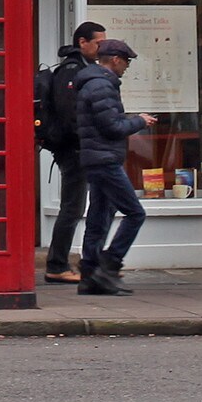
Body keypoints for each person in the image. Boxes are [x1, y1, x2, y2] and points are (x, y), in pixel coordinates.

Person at [74, 38, 157, 295]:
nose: (127, 67)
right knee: (135, 213)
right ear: (115, 60)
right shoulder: (101, 86)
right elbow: (112, 127)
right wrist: (139, 121)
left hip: (96, 157)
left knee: (99, 218)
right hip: (105, 159)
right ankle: (109, 267)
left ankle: (90, 276)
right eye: (127, 62)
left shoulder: (94, 83)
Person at [39, 20, 107, 284]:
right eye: (98, 42)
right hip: (73, 148)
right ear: (83, 42)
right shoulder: (72, 69)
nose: (102, 47)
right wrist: (85, 139)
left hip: (79, 147)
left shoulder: (83, 67)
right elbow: (71, 114)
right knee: (72, 207)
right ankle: (56, 264)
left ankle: (92, 261)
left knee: (86, 206)